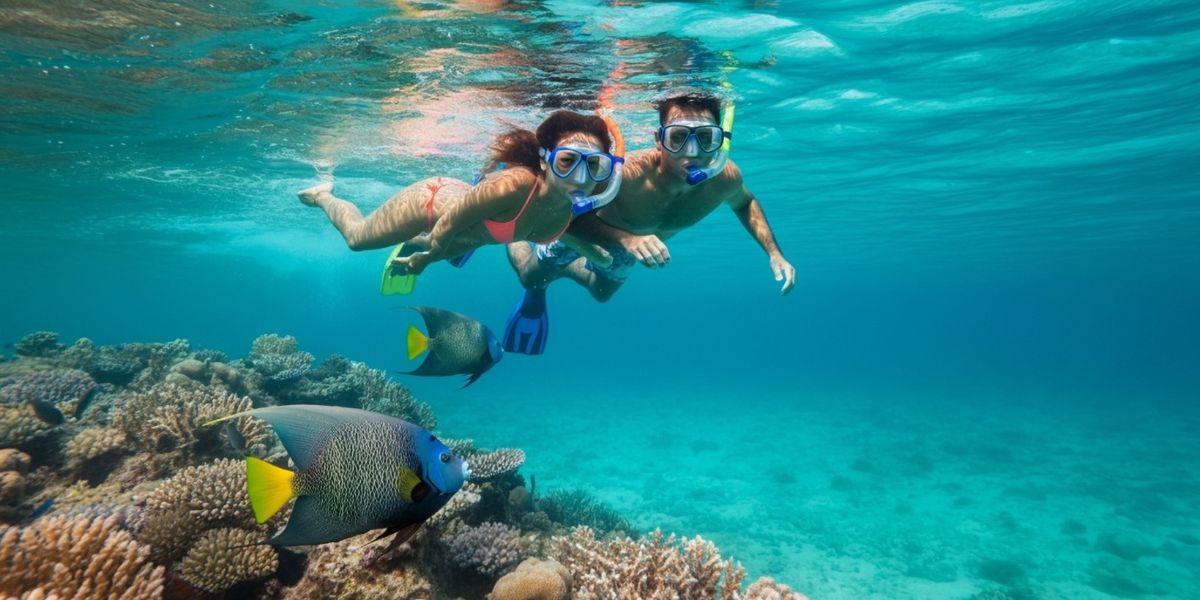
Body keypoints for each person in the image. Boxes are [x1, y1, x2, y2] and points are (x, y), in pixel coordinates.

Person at [502, 93, 796, 355]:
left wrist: (774, 253)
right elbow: (563, 214)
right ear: (659, 139)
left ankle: (561, 271)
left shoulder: (725, 179)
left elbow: (745, 202)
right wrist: (626, 239)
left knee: (601, 293)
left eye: (705, 138)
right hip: (583, 231)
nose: (692, 151)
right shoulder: (626, 175)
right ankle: (517, 236)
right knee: (530, 277)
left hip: (630, 248)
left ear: (719, 140)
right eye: (678, 138)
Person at [298, 110, 621, 278]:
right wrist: (426, 259)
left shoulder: (567, 204)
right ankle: (323, 195)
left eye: (594, 165)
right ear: (544, 161)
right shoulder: (515, 186)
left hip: (471, 229)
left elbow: (558, 232)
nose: (580, 176)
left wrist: (598, 256)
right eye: (567, 161)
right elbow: (450, 223)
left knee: (451, 240)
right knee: (357, 240)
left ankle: (421, 242)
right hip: (430, 203)